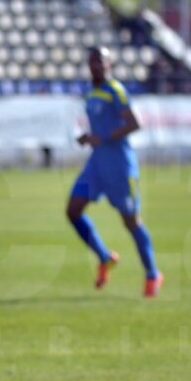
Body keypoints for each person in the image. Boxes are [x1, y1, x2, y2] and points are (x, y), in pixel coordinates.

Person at [68, 46, 162, 297]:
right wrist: (88, 138)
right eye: (92, 61)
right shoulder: (90, 94)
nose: (96, 65)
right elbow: (99, 129)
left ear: (109, 64)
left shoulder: (116, 90)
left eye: (101, 61)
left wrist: (103, 137)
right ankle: (104, 257)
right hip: (97, 165)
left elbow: (134, 123)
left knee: (131, 221)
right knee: (73, 210)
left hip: (119, 166)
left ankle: (152, 273)